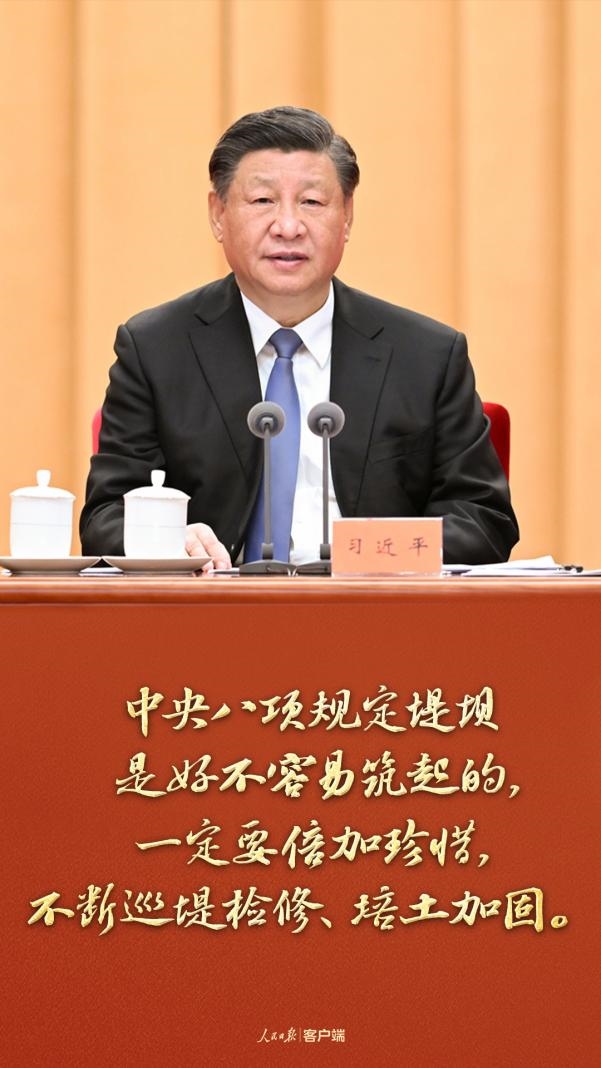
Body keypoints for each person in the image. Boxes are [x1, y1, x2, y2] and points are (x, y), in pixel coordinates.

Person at [80, 106, 518, 567]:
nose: (288, 227)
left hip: (372, 604)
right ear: (218, 214)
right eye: (262, 201)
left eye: (312, 202)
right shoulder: (155, 350)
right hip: (213, 604)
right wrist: (172, 540)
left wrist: (374, 552)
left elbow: (483, 519)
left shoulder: (426, 356)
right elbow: (105, 518)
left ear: (347, 216)